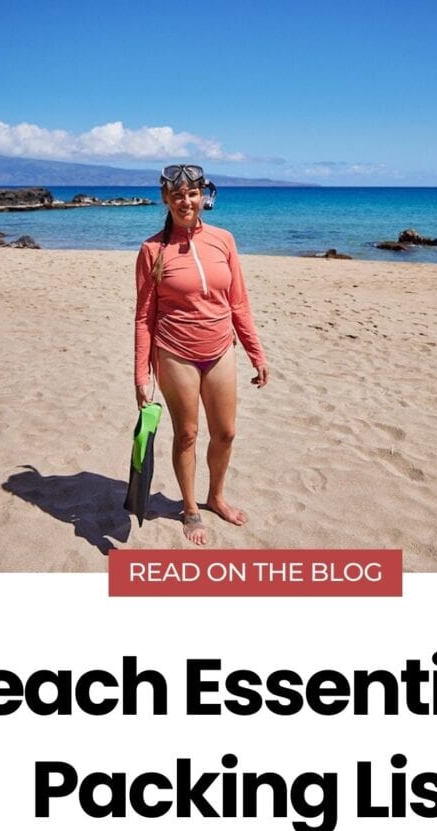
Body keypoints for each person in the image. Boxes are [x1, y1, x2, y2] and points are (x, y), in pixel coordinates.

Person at [134, 164, 268, 545]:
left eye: (192, 194)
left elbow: (238, 302)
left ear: (203, 197)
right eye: (176, 195)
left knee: (225, 433)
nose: (185, 201)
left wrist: (256, 352)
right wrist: (141, 375)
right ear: (165, 198)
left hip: (221, 348)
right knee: (187, 435)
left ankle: (216, 496)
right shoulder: (151, 250)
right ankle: (191, 509)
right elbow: (144, 316)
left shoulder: (224, 240)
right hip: (175, 352)